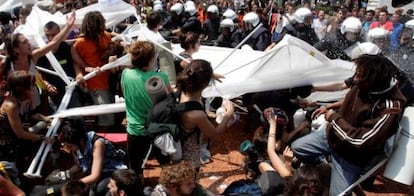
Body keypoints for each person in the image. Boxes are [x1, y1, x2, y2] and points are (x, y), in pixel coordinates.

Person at [292, 54, 407, 195]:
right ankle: (324, 166)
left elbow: (362, 140)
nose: (355, 79)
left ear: (372, 83)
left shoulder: (389, 108)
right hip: (332, 137)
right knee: (298, 148)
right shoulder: (363, 79)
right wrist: (329, 106)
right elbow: (348, 93)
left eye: (359, 77)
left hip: (351, 156)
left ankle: (338, 173)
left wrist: (334, 119)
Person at [0, 11, 75, 111]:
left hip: (33, 98)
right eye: (25, 42)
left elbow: (53, 43)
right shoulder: (6, 64)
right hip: (14, 104)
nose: (29, 43)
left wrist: (68, 26)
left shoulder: (33, 57)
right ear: (16, 49)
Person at [121, 41, 172, 182]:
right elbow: (170, 100)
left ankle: (137, 187)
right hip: (157, 130)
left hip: (135, 130)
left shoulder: (125, 74)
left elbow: (126, 96)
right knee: (166, 163)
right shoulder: (161, 78)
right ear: (151, 59)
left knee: (135, 167)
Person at [177, 59, 234, 169]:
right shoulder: (196, 115)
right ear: (205, 84)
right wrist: (228, 115)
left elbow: (192, 73)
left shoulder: (180, 89)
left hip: (178, 146)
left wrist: (209, 75)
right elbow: (216, 135)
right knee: (190, 180)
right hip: (189, 157)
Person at [0, 71, 54, 173]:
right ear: (22, 89)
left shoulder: (25, 99)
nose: (34, 87)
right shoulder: (11, 105)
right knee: (16, 170)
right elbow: (20, 133)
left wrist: (48, 119)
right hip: (8, 144)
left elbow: (32, 115)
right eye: (31, 85)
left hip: (19, 139)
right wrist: (42, 138)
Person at [57, 119, 127, 196]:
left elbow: (95, 176)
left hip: (114, 170)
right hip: (98, 173)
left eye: (70, 146)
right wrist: (65, 174)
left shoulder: (97, 143)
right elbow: (80, 166)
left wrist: (70, 186)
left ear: (80, 141)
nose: (68, 149)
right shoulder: (76, 147)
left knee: (98, 189)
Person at [73, 11, 114, 128]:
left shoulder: (105, 36)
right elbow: (76, 63)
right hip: (95, 83)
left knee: (111, 110)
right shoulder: (79, 43)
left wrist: (111, 53)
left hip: (110, 79)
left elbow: (111, 48)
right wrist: (81, 73)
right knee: (106, 116)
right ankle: (105, 138)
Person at [37, 21, 83, 110]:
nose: (51, 38)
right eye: (47, 35)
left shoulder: (67, 47)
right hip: (55, 92)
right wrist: (48, 85)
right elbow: (40, 72)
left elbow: (75, 63)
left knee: (76, 117)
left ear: (59, 33)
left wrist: (78, 74)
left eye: (54, 35)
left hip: (71, 88)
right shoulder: (42, 52)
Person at [150, 160, 214, 196]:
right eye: (188, 184)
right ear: (173, 186)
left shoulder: (193, 189)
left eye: (193, 182)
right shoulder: (158, 194)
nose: (193, 186)